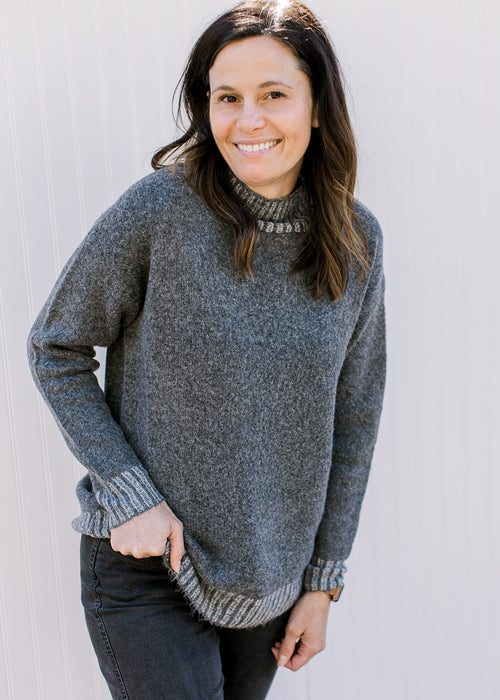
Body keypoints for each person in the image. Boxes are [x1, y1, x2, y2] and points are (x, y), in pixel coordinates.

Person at [27, 1, 386, 698]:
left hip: (268, 580)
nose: (247, 121)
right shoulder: (159, 211)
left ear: (317, 108)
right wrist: (127, 492)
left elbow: (354, 419)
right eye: (227, 98)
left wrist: (323, 582)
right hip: (147, 564)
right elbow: (56, 347)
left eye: (274, 95)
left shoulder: (356, 241)